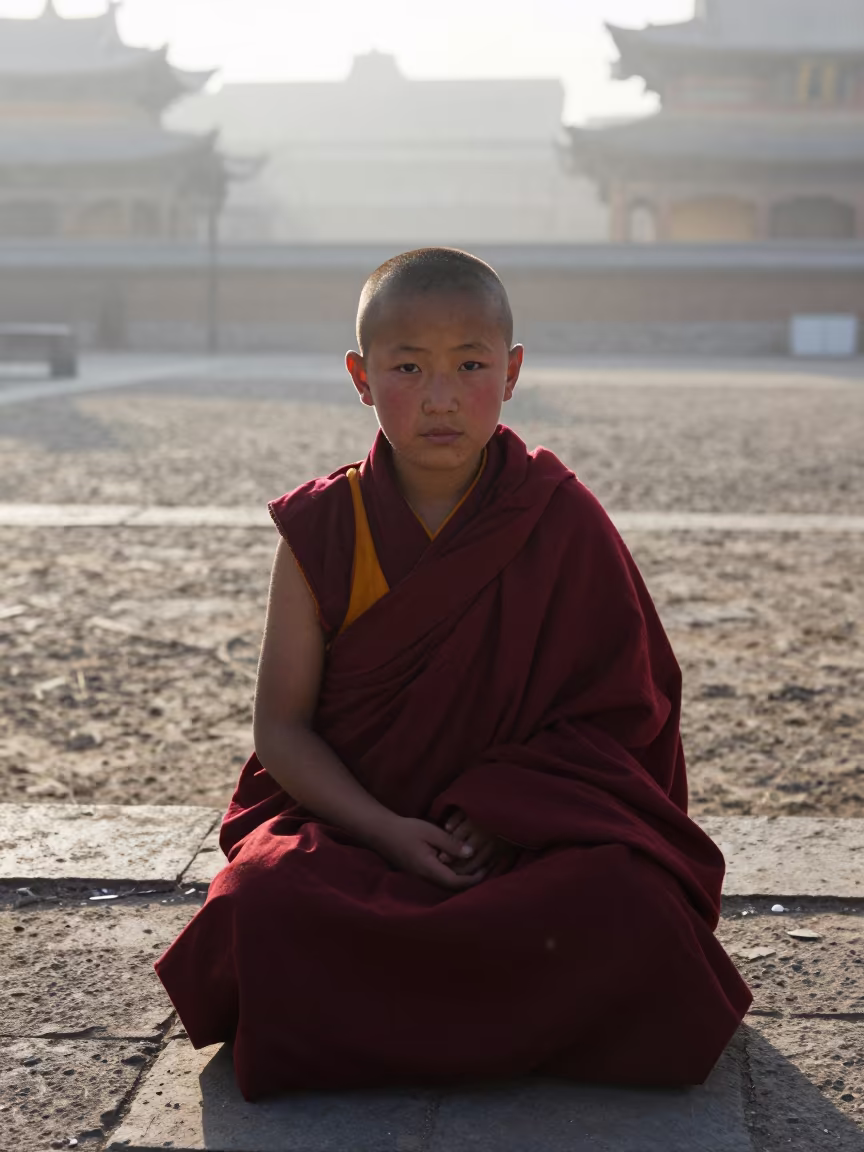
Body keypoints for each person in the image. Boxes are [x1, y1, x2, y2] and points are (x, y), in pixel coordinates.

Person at [155, 247, 751, 1102]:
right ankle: (522, 1025)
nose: (439, 397)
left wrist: (507, 814)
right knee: (259, 900)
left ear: (511, 374)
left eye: (469, 365)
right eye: (408, 368)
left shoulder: (560, 518)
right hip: (360, 835)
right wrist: (387, 829)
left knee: (630, 903)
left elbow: (626, 715)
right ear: (362, 378)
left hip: (515, 846)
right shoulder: (326, 526)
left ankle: (369, 1026)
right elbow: (281, 729)